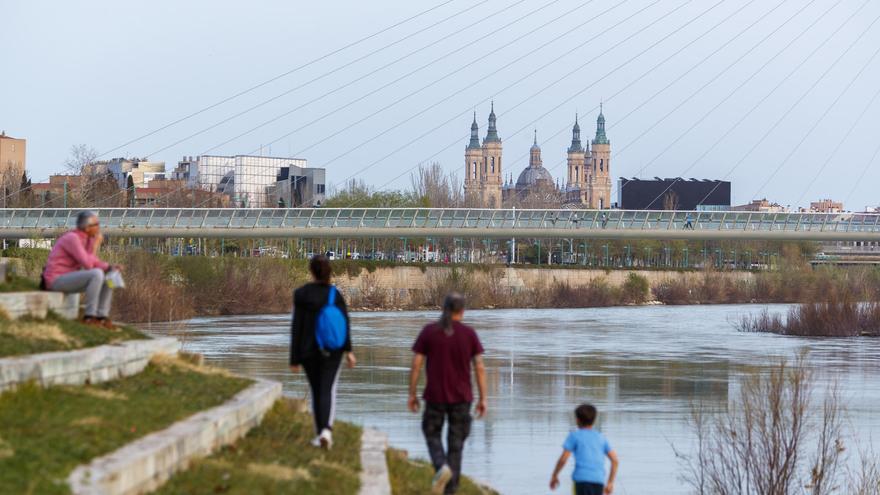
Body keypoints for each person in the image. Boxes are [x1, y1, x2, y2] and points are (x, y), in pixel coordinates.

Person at [408, 293, 487, 494]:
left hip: (434, 395)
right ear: (463, 310)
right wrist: (483, 398)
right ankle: (450, 489)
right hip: (462, 397)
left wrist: (412, 393)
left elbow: (417, 363)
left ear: (444, 308)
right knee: (456, 444)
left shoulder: (429, 331)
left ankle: (440, 465)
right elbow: (479, 367)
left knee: (431, 431)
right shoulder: (469, 334)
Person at [290, 255, 357, 450]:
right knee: (326, 389)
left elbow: (297, 327)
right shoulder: (334, 295)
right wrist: (349, 351)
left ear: (311, 271)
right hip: (332, 351)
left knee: (316, 390)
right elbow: (344, 323)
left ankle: (321, 433)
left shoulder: (301, 294)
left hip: (309, 351)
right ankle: (326, 432)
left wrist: (294, 358)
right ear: (329, 272)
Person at [42, 211, 121, 328]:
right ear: (87, 227)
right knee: (96, 274)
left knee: (109, 276)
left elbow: (93, 261)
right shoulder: (72, 238)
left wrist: (110, 267)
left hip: (70, 278)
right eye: (96, 224)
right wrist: (95, 245)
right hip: (56, 280)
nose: (99, 227)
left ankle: (102, 317)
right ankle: (89, 317)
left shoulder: (87, 239)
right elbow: (88, 265)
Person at [549, 404, 619, 495]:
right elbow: (615, 460)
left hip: (581, 480)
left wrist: (555, 475)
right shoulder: (601, 438)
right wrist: (610, 482)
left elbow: (563, 459)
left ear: (577, 420)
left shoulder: (574, 436)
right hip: (598, 481)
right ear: (594, 420)